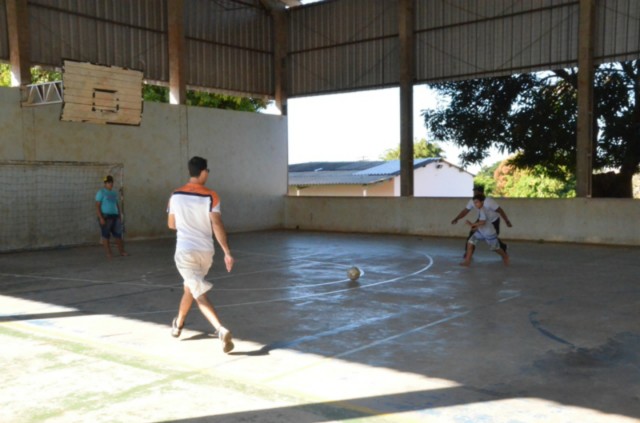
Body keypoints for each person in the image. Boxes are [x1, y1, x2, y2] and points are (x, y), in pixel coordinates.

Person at [167, 156, 235, 353]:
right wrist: (227, 252)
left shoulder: (175, 195)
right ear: (203, 171)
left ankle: (220, 330)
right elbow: (217, 224)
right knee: (190, 288)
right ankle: (178, 325)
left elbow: (171, 225)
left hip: (185, 252)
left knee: (197, 292)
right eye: (208, 171)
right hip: (206, 253)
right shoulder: (212, 196)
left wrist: (186, 223)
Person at [451, 185, 512, 255]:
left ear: (481, 193)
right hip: (482, 219)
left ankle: (503, 247)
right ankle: (468, 253)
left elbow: (500, 210)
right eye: (474, 192)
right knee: (472, 235)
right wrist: (457, 218)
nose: (474, 194)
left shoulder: (489, 201)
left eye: (476, 192)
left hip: (493, 221)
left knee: (492, 237)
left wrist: (507, 221)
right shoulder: (472, 201)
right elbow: (465, 211)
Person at [460, 194, 509, 267]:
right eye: (474, 202)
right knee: (470, 242)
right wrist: (476, 227)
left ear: (482, 202)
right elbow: (482, 223)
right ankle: (467, 261)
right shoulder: (481, 209)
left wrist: (472, 224)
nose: (475, 204)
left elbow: (483, 222)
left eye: (477, 202)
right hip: (481, 231)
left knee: (495, 248)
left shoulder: (483, 210)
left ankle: (505, 256)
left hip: (489, 233)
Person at [95, 175, 128, 258]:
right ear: (105, 184)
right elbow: (97, 206)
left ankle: (122, 251)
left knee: (118, 234)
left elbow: (116, 204)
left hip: (115, 216)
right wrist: (101, 218)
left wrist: (119, 216)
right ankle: (108, 253)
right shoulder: (101, 192)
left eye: (111, 182)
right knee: (106, 235)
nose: (110, 184)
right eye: (108, 182)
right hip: (106, 216)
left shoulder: (114, 193)